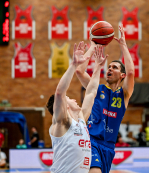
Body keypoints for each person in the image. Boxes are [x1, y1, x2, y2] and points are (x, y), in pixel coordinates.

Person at [76, 25, 135, 173]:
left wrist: (123, 45)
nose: (109, 69)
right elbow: (79, 70)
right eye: (109, 67)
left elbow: (131, 72)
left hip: (109, 147)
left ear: (122, 75)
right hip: (91, 141)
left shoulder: (124, 95)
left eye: (114, 67)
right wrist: (93, 45)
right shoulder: (97, 88)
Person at [46, 42, 106, 172]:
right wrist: (73, 65)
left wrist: (98, 67)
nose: (74, 99)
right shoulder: (62, 123)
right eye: (70, 99)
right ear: (65, 106)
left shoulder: (81, 120)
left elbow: (91, 92)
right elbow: (59, 93)